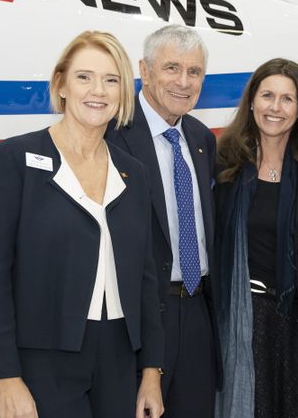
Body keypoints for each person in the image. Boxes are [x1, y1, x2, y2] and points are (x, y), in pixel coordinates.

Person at [0, 31, 165, 418]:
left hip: (119, 356)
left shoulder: (134, 174)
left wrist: (151, 372)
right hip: (44, 358)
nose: (98, 90)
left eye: (112, 80)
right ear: (60, 84)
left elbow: (145, 279)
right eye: (84, 77)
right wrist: (6, 378)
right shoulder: (12, 160)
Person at [106, 24, 219, 418]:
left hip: (197, 311)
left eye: (195, 72)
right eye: (172, 68)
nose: (184, 82)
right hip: (139, 319)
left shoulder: (202, 138)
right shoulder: (112, 135)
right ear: (145, 70)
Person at [214, 59, 298, 418]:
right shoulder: (223, 164)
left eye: (287, 99)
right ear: (251, 102)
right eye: (267, 95)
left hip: (296, 329)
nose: (275, 107)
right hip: (239, 322)